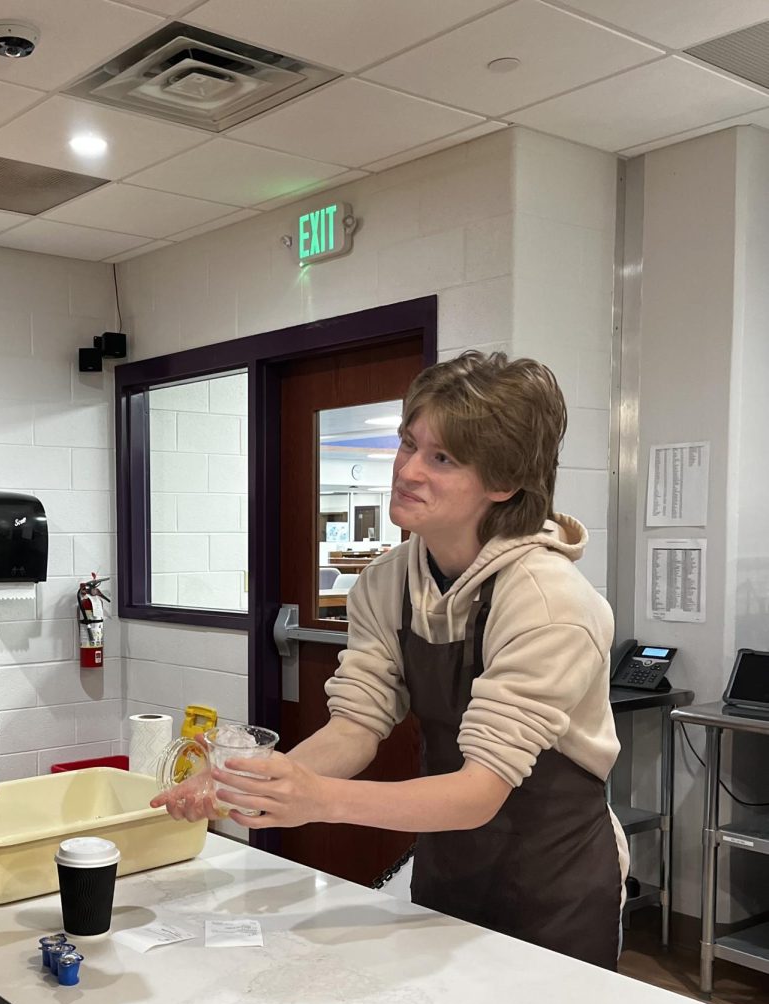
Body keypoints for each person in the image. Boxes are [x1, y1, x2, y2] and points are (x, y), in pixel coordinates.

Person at [157, 351, 628, 970]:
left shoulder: (550, 603)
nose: (406, 471)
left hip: (555, 885)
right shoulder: (386, 582)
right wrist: (246, 786)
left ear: (504, 482)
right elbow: (356, 728)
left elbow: (478, 792)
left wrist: (317, 800)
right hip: (447, 870)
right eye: (409, 445)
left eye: (442, 458)